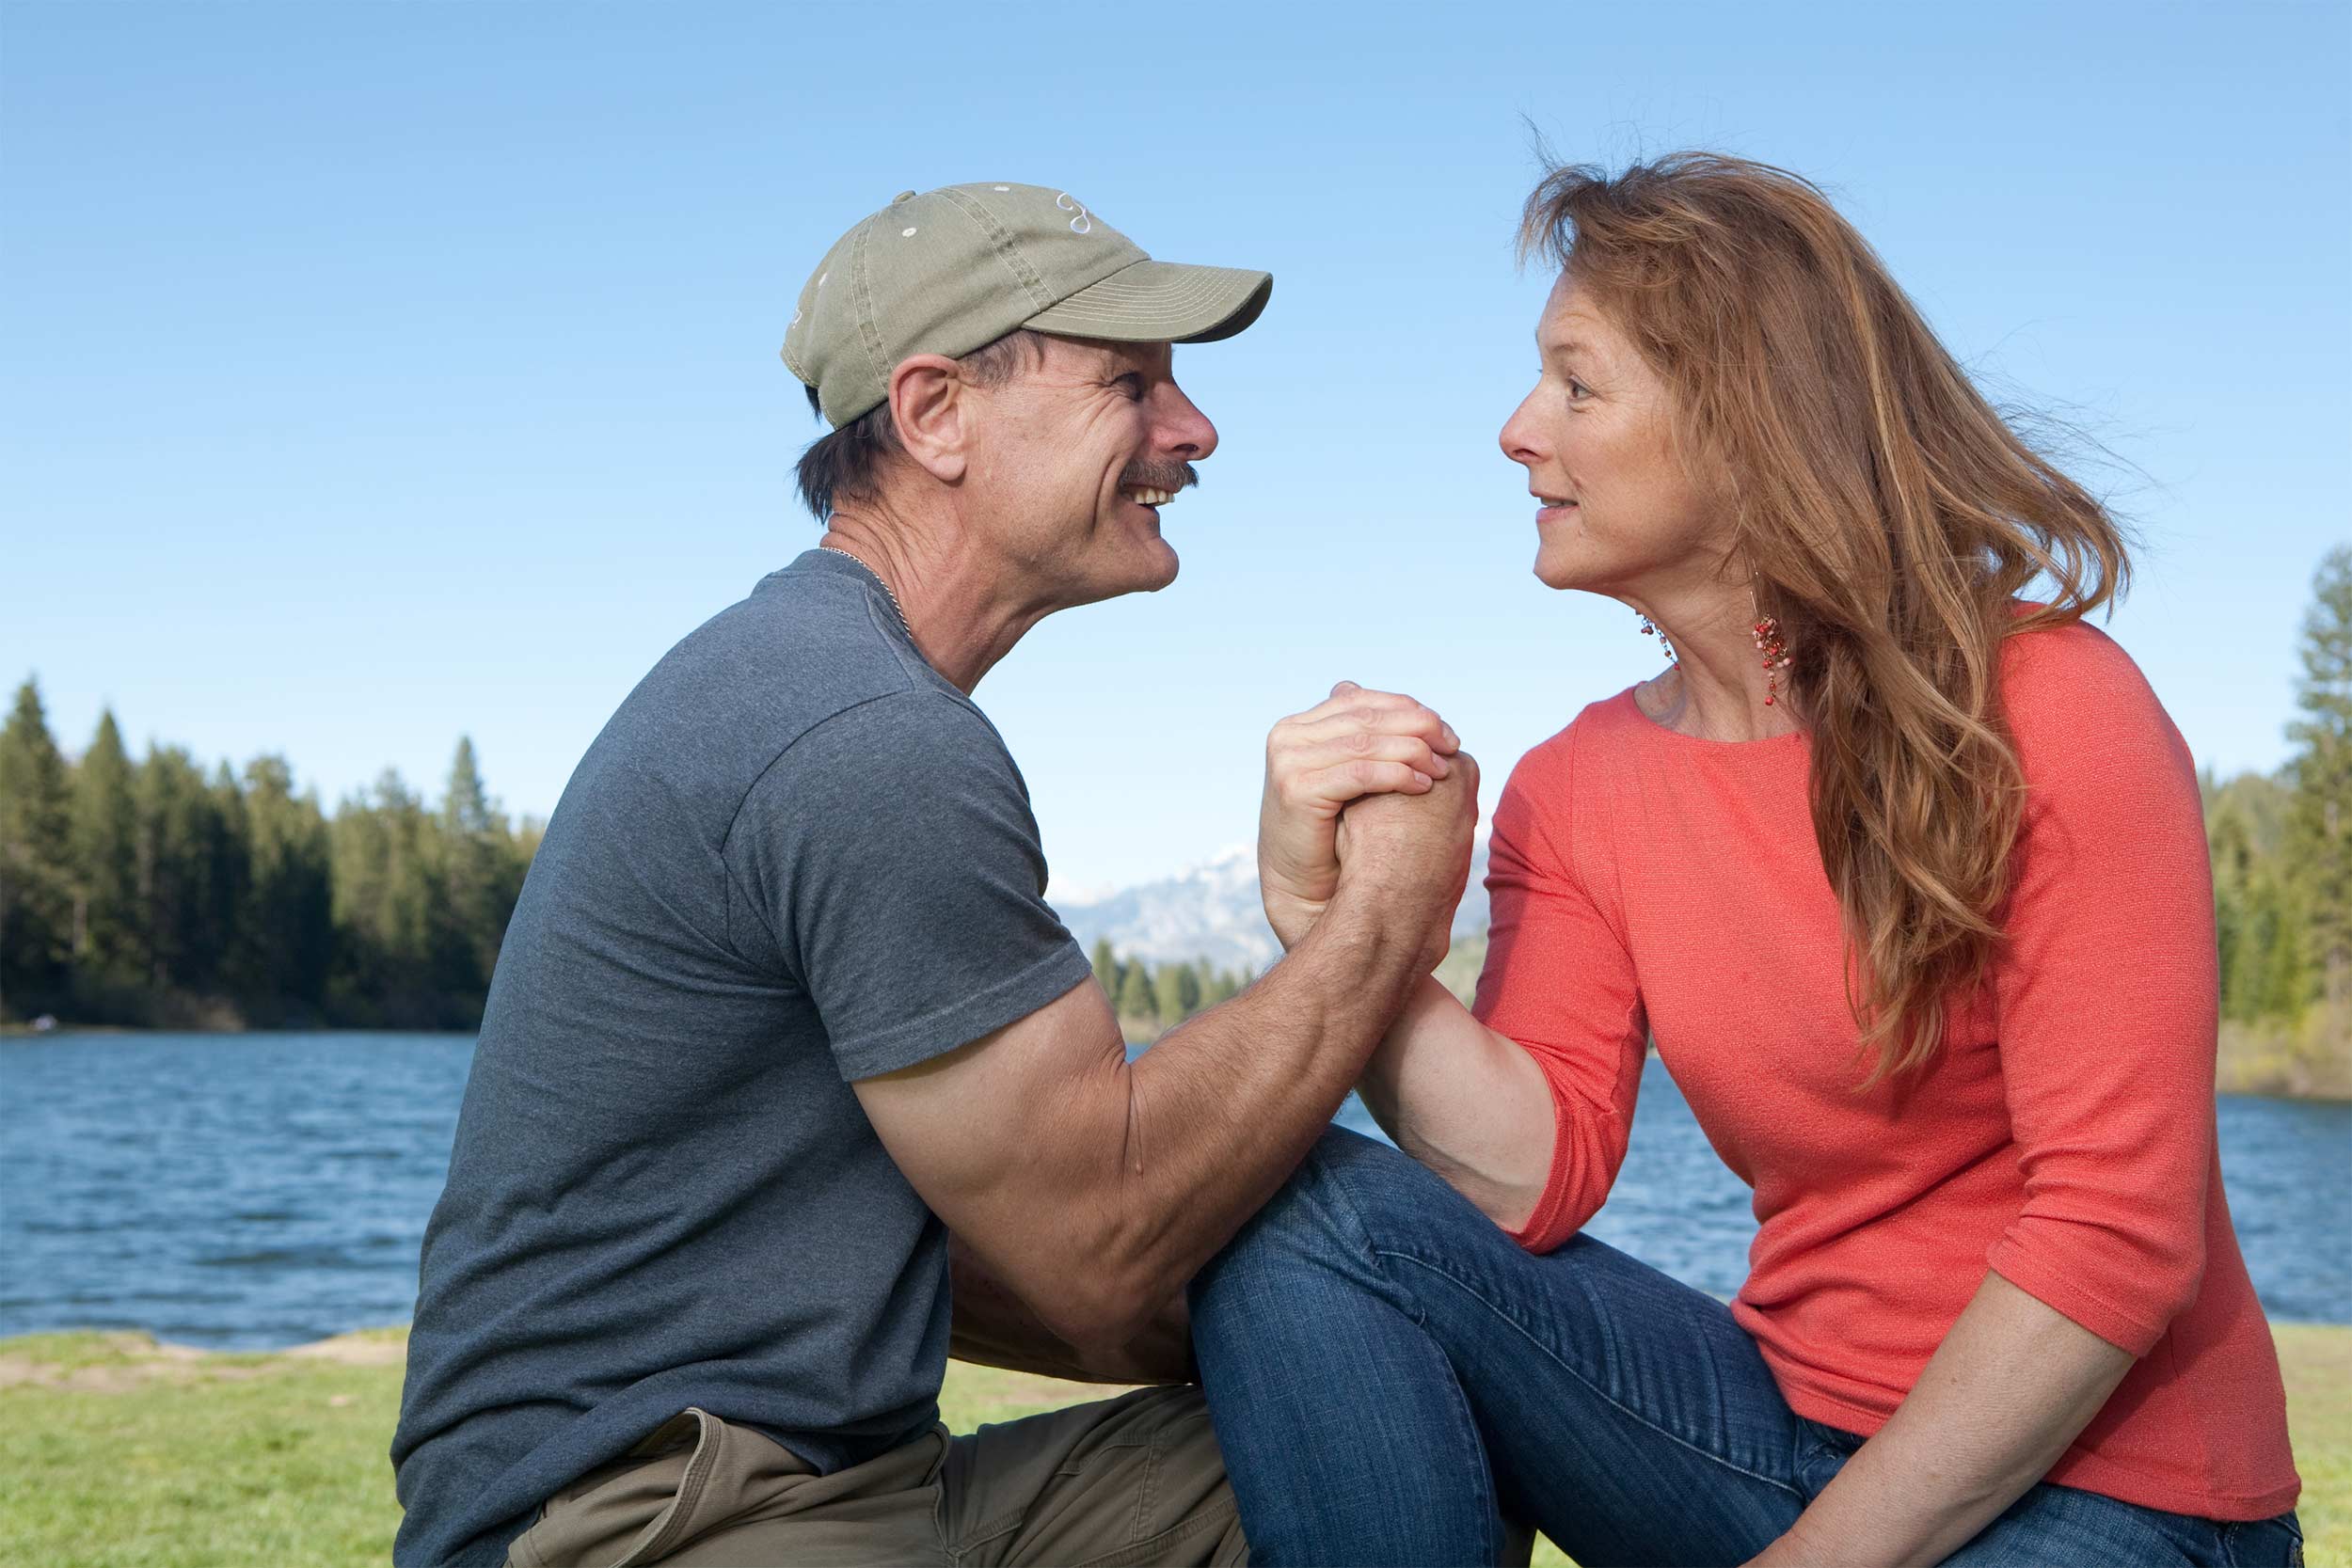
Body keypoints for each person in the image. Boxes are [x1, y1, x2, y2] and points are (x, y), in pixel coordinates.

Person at [1191, 153, 2306, 1567]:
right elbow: (1529, 1175)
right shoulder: (1576, 785)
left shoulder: (2049, 703)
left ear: (1747, 417)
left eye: (1576, 385)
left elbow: (2115, 1233)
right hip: (1779, 1434)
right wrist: (1331, 926)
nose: (1517, 431)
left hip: (2114, 1493)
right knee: (1305, 1204)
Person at [389, 182, 1479, 1567]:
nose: (1193, 429)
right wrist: (1385, 908)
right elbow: (1098, 1252)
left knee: (1398, 1425)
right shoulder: (862, 739)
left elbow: (1041, 1270)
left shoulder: (822, 679)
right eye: (1129, 383)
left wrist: (1369, 1310)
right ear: (934, 415)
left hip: (835, 1489)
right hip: (636, 1528)